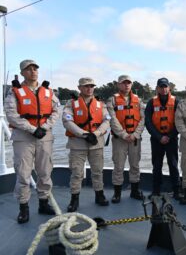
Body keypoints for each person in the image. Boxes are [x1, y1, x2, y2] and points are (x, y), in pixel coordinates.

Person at [5, 59, 59, 223]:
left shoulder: (49, 92)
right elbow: (11, 114)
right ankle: (24, 207)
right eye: (28, 69)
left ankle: (43, 203)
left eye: (35, 68)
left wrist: (44, 127)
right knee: (23, 173)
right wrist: (32, 129)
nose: (33, 71)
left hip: (44, 137)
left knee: (45, 172)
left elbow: (56, 111)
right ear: (22, 73)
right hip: (23, 138)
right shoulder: (14, 92)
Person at [63, 77, 111, 212]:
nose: (89, 88)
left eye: (91, 86)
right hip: (77, 144)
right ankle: (74, 199)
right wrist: (84, 134)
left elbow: (107, 120)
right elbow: (67, 122)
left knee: (97, 171)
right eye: (85, 86)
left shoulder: (101, 104)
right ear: (79, 88)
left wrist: (95, 134)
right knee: (76, 172)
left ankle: (99, 195)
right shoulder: (71, 104)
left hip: (96, 143)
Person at [106, 75, 144, 203]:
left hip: (135, 138)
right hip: (119, 139)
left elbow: (143, 119)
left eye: (128, 83)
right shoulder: (112, 100)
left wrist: (135, 134)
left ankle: (134, 191)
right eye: (123, 83)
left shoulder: (138, 101)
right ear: (118, 85)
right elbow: (112, 119)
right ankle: (117, 193)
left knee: (135, 165)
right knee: (118, 166)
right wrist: (123, 134)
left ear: (131, 85)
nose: (126, 85)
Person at [145, 77, 181, 199]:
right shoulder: (151, 102)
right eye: (161, 87)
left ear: (169, 87)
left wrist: (170, 136)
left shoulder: (176, 102)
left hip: (172, 139)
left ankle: (176, 191)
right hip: (156, 139)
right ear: (157, 88)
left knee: (173, 165)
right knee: (156, 165)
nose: (164, 89)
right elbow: (148, 122)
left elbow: (179, 122)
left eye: (165, 86)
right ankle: (156, 191)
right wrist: (159, 137)